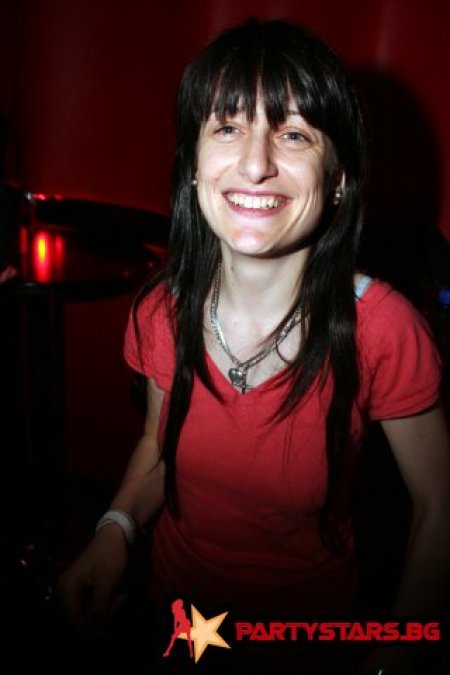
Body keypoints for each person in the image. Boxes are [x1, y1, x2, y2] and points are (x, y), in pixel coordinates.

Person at [58, 18, 450, 674]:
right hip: (178, 624)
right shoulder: (161, 311)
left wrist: (397, 650)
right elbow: (158, 446)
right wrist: (115, 531)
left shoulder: (385, 329)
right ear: (193, 165)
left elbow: (440, 504)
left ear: (339, 176)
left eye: (294, 134)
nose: (256, 163)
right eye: (228, 127)